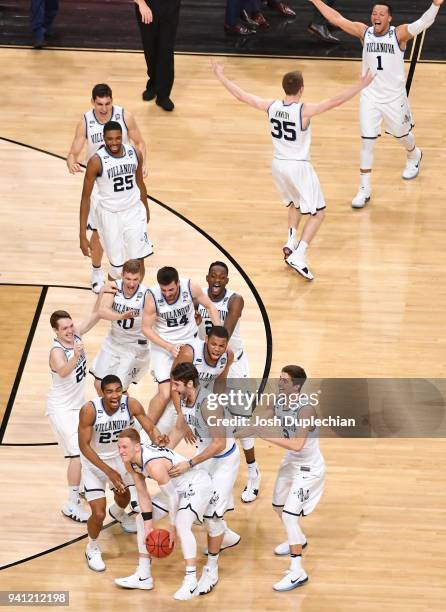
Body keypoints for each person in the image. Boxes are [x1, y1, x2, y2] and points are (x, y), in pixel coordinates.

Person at [211, 62, 373, 280]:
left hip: (278, 165)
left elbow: (243, 96)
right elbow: (335, 101)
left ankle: (290, 241)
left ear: (284, 88)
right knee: (318, 214)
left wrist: (221, 76)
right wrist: (360, 85)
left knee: (295, 205)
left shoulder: (271, 106)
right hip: (298, 165)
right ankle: (300, 254)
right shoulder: (304, 111)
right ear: (301, 88)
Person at [309, 0, 444, 208]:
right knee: (367, 141)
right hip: (370, 96)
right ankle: (364, 189)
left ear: (389, 18)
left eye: (381, 14)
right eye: (374, 13)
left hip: (394, 98)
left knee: (401, 135)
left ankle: (414, 154)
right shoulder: (365, 33)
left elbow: (423, 22)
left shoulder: (398, 34)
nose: (377, 17)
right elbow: (336, 18)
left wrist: (435, 5)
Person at [78, 375, 167, 572]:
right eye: (109, 391)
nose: (115, 395)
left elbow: (149, 427)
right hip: (95, 462)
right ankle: (92, 547)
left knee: (124, 497)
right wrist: (109, 471)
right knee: (98, 513)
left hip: (119, 458)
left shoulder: (131, 404)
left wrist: (158, 437)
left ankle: (117, 513)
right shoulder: (90, 410)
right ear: (102, 392)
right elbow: (83, 446)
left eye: (118, 390)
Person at [67, 83, 148, 293]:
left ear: (112, 100)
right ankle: (96, 271)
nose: (104, 108)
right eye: (99, 104)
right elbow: (75, 147)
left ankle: (127, 286)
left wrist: (143, 163)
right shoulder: (86, 121)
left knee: (131, 244)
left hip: (123, 179)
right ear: (93, 102)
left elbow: (139, 143)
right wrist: (71, 159)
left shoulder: (125, 116)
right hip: (100, 184)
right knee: (97, 233)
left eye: (107, 103)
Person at [168, 363, 241, 596]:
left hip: (224, 461)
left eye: (177, 384)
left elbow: (219, 443)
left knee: (212, 517)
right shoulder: (184, 399)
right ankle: (226, 536)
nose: (173, 387)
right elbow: (179, 429)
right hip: (206, 457)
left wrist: (189, 463)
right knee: (202, 509)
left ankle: (211, 569)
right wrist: (159, 455)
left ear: (190, 384)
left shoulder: (208, 404)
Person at [116, 428, 213, 599]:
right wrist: (148, 526)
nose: (121, 451)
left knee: (182, 524)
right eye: (119, 447)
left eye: (124, 447)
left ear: (137, 447)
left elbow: (173, 498)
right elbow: (142, 493)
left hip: (195, 484)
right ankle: (143, 575)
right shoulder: (129, 461)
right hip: (175, 489)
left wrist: (172, 527)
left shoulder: (154, 465)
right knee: (140, 519)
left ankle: (191, 581)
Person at [196, 261, 262, 503]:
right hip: (209, 365)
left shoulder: (235, 300)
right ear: (207, 277)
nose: (216, 280)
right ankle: (213, 470)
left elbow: (223, 335)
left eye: (220, 277)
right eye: (212, 276)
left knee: (242, 422)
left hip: (234, 365)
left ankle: (253, 471)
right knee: (211, 416)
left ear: (226, 280)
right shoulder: (200, 298)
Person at [257, 365, 325, 591]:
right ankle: (300, 539)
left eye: (284, 381)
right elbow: (262, 417)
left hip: (308, 468)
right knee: (278, 506)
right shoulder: (278, 400)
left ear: (296, 386)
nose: (280, 383)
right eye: (280, 379)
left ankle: (298, 572)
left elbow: (297, 444)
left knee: (289, 516)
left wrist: (267, 435)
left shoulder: (306, 410)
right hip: (290, 463)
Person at [141, 266, 220, 429]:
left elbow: (210, 306)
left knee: (194, 388)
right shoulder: (152, 296)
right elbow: (146, 328)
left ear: (178, 283)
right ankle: (146, 430)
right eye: (164, 290)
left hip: (190, 342)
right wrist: (169, 347)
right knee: (165, 393)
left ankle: (193, 424)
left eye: (171, 289)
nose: (167, 294)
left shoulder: (191, 287)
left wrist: (219, 331)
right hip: (164, 345)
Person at [46, 306, 101, 523]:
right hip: (60, 409)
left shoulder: (76, 334)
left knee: (89, 447)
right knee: (76, 454)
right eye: (65, 328)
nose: (70, 330)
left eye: (70, 325)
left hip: (76, 407)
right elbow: (62, 371)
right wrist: (76, 355)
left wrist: (105, 291)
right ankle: (71, 503)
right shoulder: (57, 351)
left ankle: (81, 489)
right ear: (56, 331)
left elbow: (95, 314)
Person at [79, 121, 153, 281]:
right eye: (110, 139)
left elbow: (140, 183)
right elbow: (85, 198)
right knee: (117, 267)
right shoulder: (96, 162)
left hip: (133, 211)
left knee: (138, 261)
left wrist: (145, 208)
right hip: (109, 215)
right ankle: (111, 299)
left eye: (118, 138)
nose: (114, 142)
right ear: (104, 139)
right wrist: (82, 235)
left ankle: (134, 299)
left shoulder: (135, 153)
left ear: (123, 137)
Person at [90, 259, 150, 394]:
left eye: (135, 279)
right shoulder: (113, 287)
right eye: (128, 279)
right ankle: (110, 413)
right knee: (99, 384)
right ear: (122, 275)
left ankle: (127, 414)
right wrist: (121, 316)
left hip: (134, 346)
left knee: (118, 389)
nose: (132, 283)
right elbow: (102, 310)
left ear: (140, 277)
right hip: (114, 340)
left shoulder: (147, 295)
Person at [134, 0, 180, 111]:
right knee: (150, 50)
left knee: (166, 51)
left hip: (170, 7)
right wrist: (142, 4)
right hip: (147, 7)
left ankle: (163, 96)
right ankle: (153, 83)